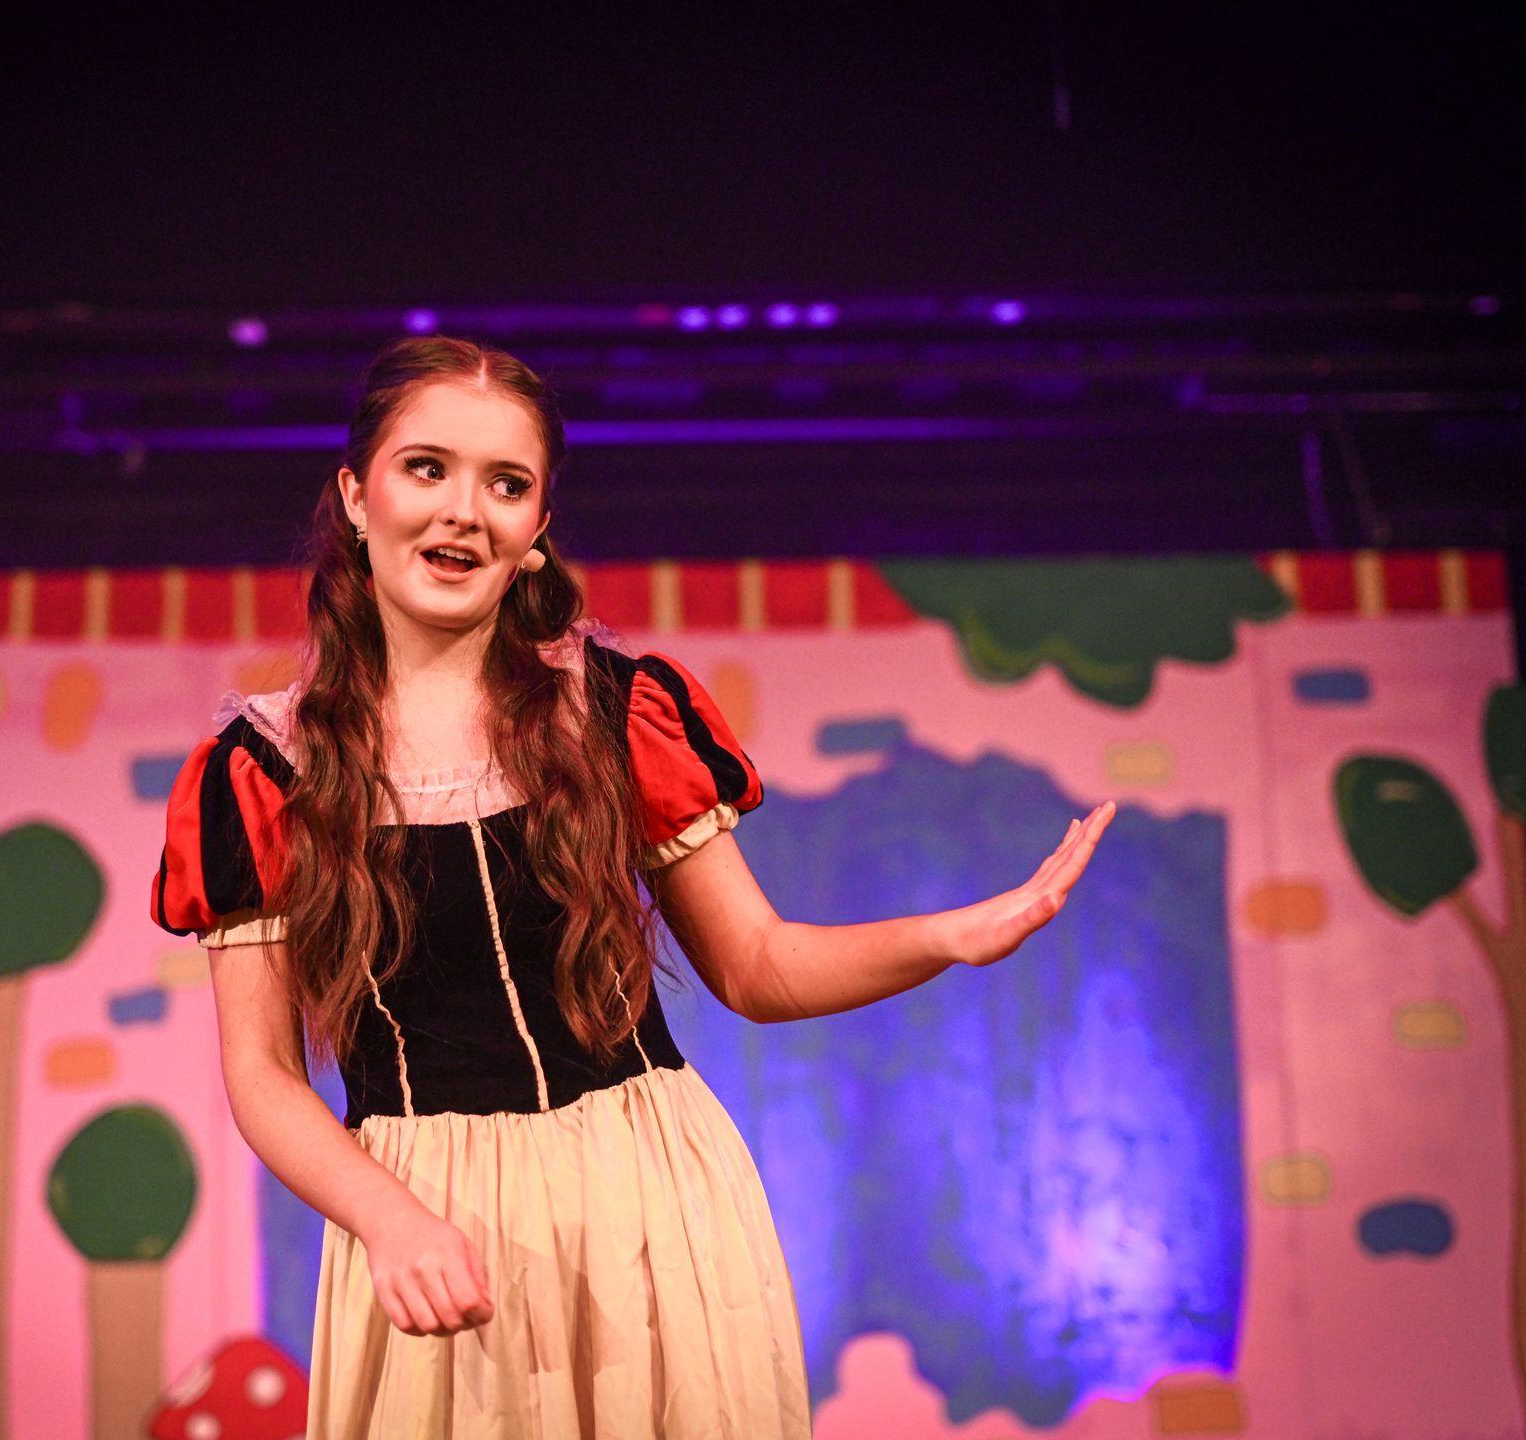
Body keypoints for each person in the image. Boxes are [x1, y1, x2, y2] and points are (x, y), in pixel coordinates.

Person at [150, 335, 1114, 1438]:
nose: (464, 511)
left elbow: (758, 966)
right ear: (357, 497)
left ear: (536, 529)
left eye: (506, 484)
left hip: (647, 1204)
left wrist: (949, 936)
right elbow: (264, 1075)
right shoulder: (262, 772)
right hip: (425, 1213)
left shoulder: (612, 712)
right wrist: (390, 1220)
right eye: (427, 468)